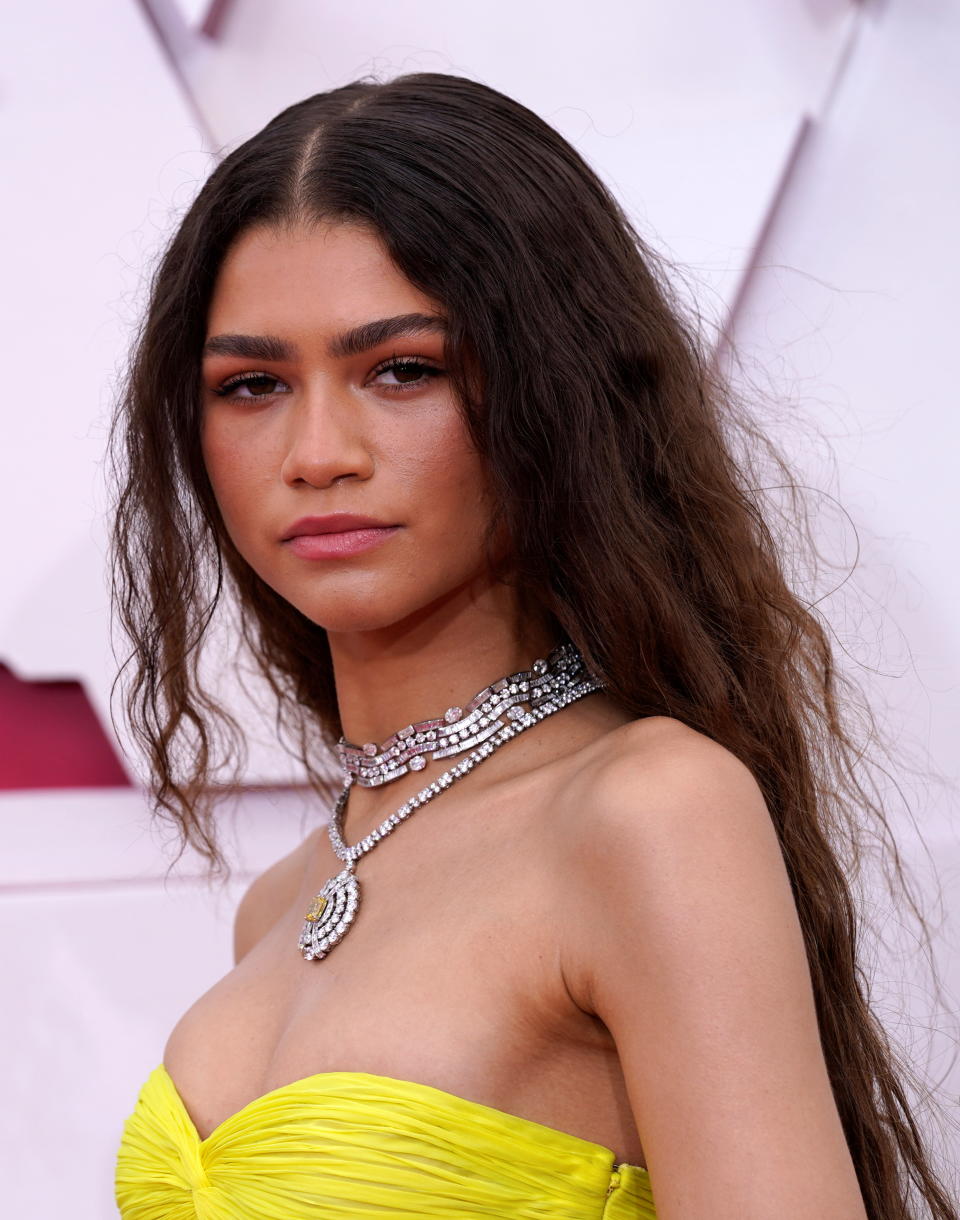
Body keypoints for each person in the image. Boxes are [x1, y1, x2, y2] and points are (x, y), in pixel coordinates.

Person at [109, 72, 956, 1219]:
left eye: (402, 369)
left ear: (554, 393)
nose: (316, 451)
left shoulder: (648, 810)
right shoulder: (281, 902)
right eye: (252, 384)